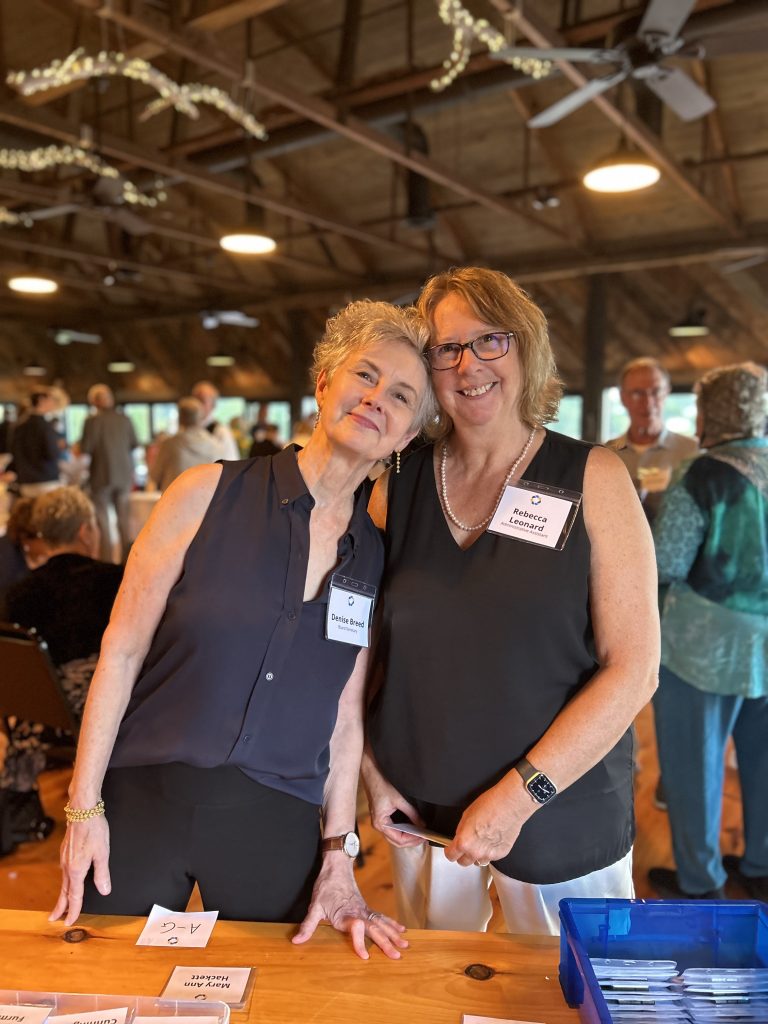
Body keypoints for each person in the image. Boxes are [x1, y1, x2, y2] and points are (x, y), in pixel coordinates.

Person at [50, 300, 435, 962]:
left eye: (401, 395)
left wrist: (338, 853)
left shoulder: (371, 555)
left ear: (407, 436)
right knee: (101, 984)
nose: (377, 398)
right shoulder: (204, 494)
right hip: (145, 797)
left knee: (276, 994)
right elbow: (121, 651)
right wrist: (84, 808)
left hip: (275, 818)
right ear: (324, 384)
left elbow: (345, 715)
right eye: (365, 375)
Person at [363, 267, 659, 936]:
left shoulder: (594, 478)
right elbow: (359, 652)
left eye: (490, 340)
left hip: (561, 808)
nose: (468, 365)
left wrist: (521, 796)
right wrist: (371, 772)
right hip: (420, 811)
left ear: (525, 346)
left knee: (566, 985)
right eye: (446, 348)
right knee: (435, 985)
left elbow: (635, 668)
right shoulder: (395, 486)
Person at [648, 362, 768, 902]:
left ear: (709, 414)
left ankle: (701, 882)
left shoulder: (700, 474)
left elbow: (667, 561)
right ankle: (761, 865)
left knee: (695, 764)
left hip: (703, 647)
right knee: (763, 761)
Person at [2, 487, 123, 848]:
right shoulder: (117, 582)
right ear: (86, 531)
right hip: (101, 715)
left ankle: (20, 813)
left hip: (38, 718)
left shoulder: (18, 594)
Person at [606, 357, 698, 524]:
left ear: (667, 392)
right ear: (623, 398)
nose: (648, 402)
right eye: (637, 393)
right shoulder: (607, 453)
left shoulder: (692, 452)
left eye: (656, 392)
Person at [80, 384, 138, 563]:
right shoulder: (125, 419)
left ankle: (106, 561)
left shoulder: (92, 421)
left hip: (100, 476)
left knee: (103, 522)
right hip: (124, 475)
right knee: (124, 521)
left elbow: (86, 448)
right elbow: (134, 444)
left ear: (94, 402)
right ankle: (127, 560)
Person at [149, 397, 220, 492]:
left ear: (180, 418)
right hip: (206, 498)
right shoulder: (213, 444)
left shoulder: (169, 444)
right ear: (200, 417)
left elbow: (155, 476)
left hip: (175, 498)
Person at [9, 389, 61, 497]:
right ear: (41, 400)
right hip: (46, 479)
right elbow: (52, 453)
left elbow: (14, 452)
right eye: (50, 400)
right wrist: (59, 447)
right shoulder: (45, 426)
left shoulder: (18, 426)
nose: (52, 404)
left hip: (26, 481)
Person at [191, 380, 240, 461]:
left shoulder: (221, 431)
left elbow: (231, 461)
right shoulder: (188, 429)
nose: (197, 405)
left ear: (213, 405)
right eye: (195, 400)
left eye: (202, 401)